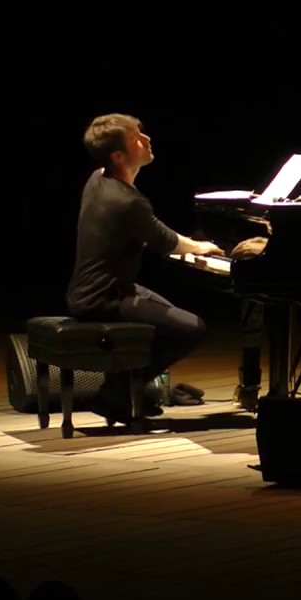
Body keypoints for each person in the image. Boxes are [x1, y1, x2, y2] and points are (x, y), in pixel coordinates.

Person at [65, 113, 224, 422]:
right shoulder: (127, 201)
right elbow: (165, 240)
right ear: (118, 156)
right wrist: (201, 246)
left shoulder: (98, 177)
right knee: (192, 329)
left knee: (169, 317)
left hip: (101, 290)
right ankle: (119, 392)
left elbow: (155, 232)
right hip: (104, 298)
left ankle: (127, 391)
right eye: (137, 138)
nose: (147, 139)